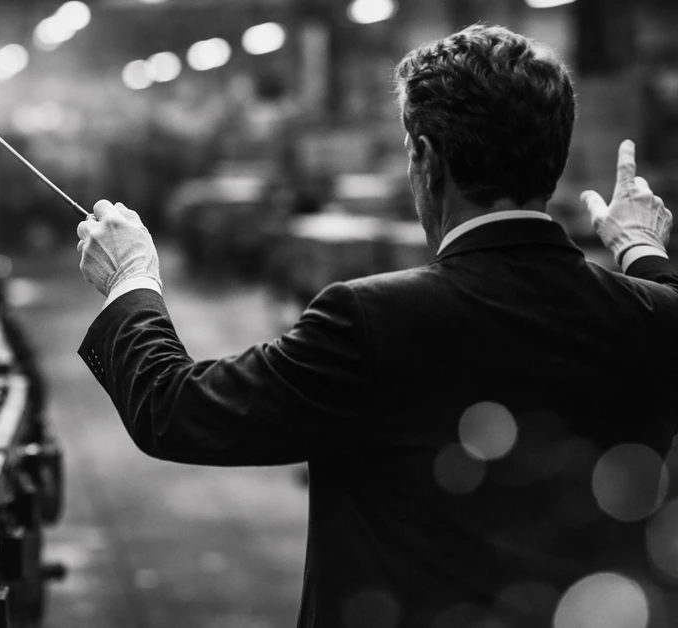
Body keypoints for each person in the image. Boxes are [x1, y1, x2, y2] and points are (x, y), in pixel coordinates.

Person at [75, 24, 678, 628]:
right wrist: (640, 247)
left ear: (426, 158)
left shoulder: (372, 321)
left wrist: (132, 278)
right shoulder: (650, 319)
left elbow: (176, 409)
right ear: (554, 154)